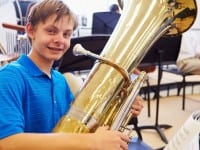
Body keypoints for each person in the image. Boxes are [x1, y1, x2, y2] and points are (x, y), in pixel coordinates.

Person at [0, 0, 144, 150]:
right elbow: (8, 142)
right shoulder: (9, 77)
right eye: (51, 31)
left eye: (67, 34)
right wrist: (93, 142)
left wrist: (122, 107)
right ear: (31, 30)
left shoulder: (60, 80)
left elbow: (79, 127)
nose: (60, 40)